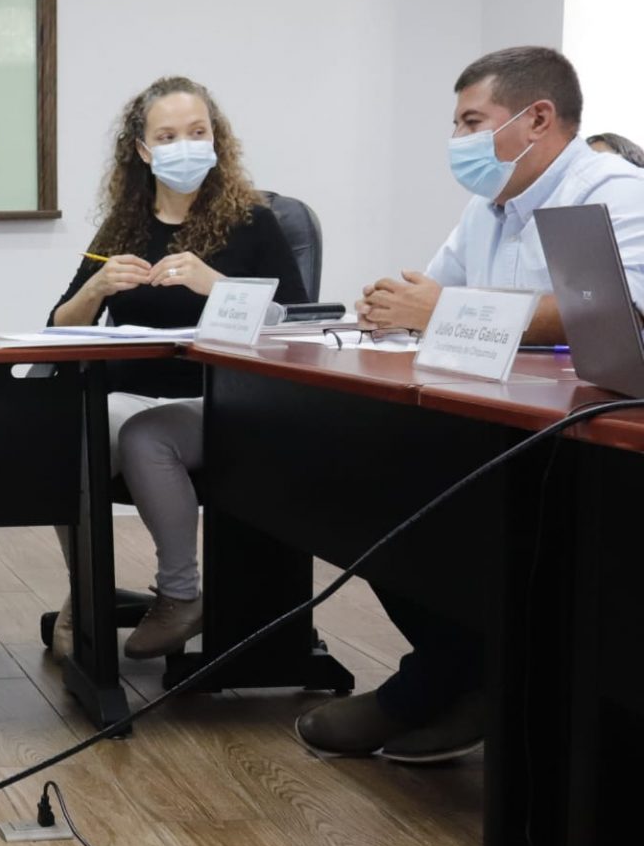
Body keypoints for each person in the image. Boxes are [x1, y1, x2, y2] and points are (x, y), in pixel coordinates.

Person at [301, 46, 644, 764]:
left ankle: (442, 684)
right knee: (355, 487)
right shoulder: (488, 208)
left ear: (537, 119)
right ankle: (462, 673)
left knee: (427, 506)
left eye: (471, 122)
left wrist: (441, 308)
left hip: (592, 437)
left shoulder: (613, 191)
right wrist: (393, 307)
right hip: (491, 419)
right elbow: (429, 295)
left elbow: (616, 312)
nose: (457, 140)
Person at [47, 76, 306, 662]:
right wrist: (97, 287)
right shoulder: (124, 224)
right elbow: (59, 323)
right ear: (143, 150)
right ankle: (86, 591)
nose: (184, 146)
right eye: (167, 137)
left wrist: (216, 285)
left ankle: (180, 596)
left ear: (217, 140)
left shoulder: (254, 221)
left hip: (225, 400)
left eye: (197, 132)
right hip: (131, 392)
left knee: (147, 436)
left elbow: (296, 324)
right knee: (64, 436)